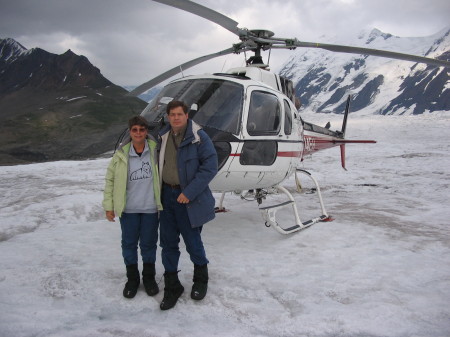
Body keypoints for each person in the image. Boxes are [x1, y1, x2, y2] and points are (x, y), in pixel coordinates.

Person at [158, 100, 218, 310]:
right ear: (168, 117)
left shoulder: (199, 137)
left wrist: (189, 192)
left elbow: (210, 167)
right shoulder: (162, 137)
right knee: (167, 244)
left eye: (179, 114)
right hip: (166, 196)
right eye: (172, 114)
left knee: (193, 242)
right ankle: (172, 286)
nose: (175, 118)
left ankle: (201, 280)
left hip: (187, 199)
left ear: (186, 115)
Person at [102, 116, 162, 299]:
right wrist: (109, 206)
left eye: (142, 130)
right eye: (135, 130)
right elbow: (110, 180)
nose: (138, 133)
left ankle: (149, 278)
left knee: (149, 244)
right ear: (130, 132)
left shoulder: (156, 151)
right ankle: (132, 279)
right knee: (128, 244)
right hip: (128, 210)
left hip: (150, 209)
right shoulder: (121, 155)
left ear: (146, 132)